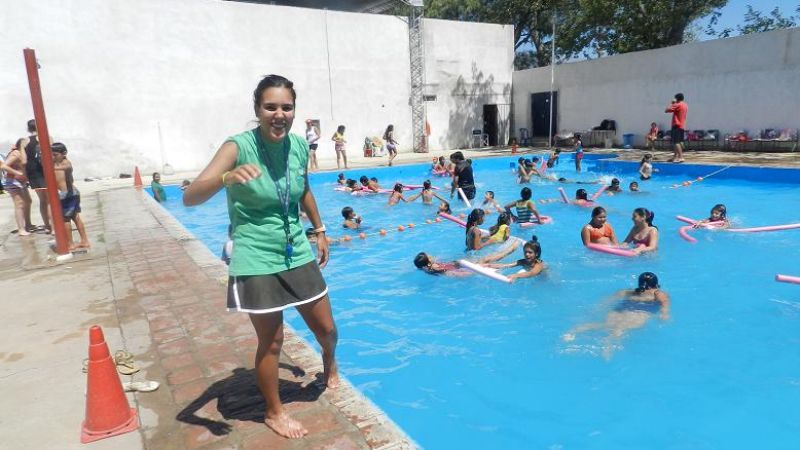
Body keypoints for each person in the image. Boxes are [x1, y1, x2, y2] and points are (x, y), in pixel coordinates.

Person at [182, 75, 338, 439]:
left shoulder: (298, 146)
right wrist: (226, 178)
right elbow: (190, 197)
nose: (279, 114)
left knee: (328, 330)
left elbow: (303, 191)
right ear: (257, 109)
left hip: (295, 249)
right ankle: (274, 411)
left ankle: (330, 364)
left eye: (286, 107)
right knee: (272, 341)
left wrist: (320, 229)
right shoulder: (238, 146)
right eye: (271, 107)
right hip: (254, 253)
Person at [562, 272, 670, 358]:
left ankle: (572, 332)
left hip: (621, 309)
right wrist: (664, 314)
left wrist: (596, 309)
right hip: (640, 311)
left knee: (604, 324)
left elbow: (607, 300)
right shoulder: (659, 293)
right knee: (620, 330)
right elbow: (664, 304)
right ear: (656, 284)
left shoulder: (628, 291)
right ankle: (607, 350)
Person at [52, 143, 90, 251]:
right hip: (69, 194)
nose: (53, 157)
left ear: (64, 154)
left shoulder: (65, 162)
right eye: (52, 155)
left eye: (55, 155)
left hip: (69, 194)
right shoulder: (55, 163)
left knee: (66, 219)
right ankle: (84, 241)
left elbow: (68, 167)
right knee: (75, 217)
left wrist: (52, 167)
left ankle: (71, 243)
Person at [20, 119, 51, 233]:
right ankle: (53, 227)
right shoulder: (46, 137)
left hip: (33, 173)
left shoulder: (24, 141)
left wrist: (25, 175)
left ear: (28, 129)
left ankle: (47, 226)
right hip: (45, 171)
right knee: (50, 200)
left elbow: (23, 161)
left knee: (42, 200)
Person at [1, 139, 34, 235]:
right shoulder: (16, 153)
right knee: (19, 204)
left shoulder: (21, 153)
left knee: (28, 201)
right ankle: (21, 229)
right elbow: (3, 166)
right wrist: (17, 172)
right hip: (13, 181)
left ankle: (28, 224)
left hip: (20, 182)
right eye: (26, 144)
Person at [665, 93, 688, 163]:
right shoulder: (685, 105)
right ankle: (675, 157)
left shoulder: (677, 104)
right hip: (681, 125)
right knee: (676, 142)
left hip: (676, 125)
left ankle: (681, 157)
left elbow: (667, 110)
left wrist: (672, 103)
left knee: (676, 142)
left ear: (677, 98)